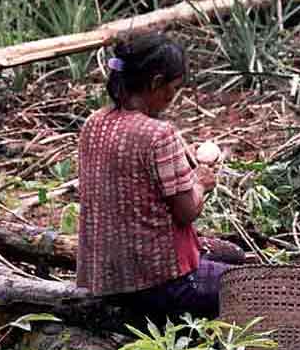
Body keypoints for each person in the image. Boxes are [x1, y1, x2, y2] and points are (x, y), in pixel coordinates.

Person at [77, 32, 242, 321]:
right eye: (173, 88)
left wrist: (180, 162)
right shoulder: (158, 134)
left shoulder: (94, 123)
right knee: (253, 286)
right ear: (155, 83)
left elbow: (134, 173)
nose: (172, 97)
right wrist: (200, 182)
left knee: (234, 255)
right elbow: (187, 212)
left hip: (106, 276)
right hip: (159, 282)